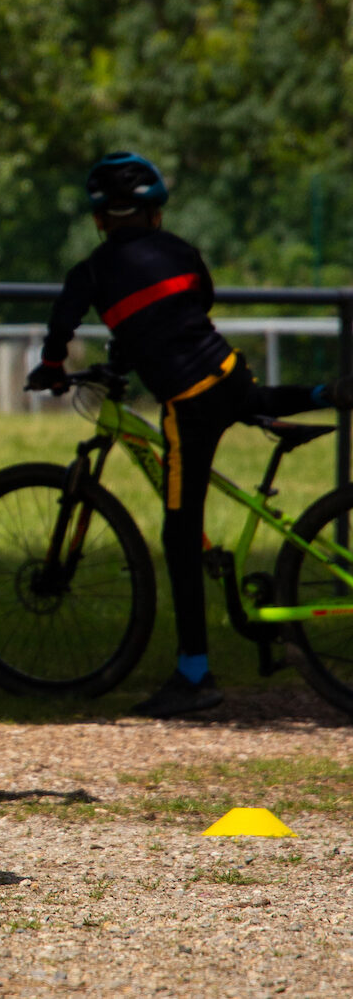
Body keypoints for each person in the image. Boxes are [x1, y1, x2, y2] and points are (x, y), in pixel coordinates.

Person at [26, 151, 353, 718]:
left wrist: (53, 369)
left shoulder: (92, 271)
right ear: (155, 213)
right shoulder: (181, 251)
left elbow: (62, 323)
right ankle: (328, 393)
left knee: (180, 535)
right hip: (225, 370)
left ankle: (195, 675)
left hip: (189, 403)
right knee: (250, 400)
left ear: (99, 220)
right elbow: (196, 301)